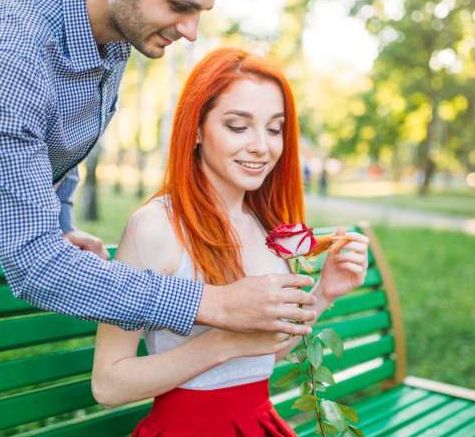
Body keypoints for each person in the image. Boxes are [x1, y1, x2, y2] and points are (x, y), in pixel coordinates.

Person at [0, 0, 317, 430]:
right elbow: (38, 268)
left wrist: (61, 223)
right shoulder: (2, 54)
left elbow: (60, 141)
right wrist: (215, 304)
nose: (191, 31)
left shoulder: (113, 32)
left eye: (200, 10)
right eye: (179, 6)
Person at [91, 48, 370, 436]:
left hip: (256, 423)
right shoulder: (155, 227)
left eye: (274, 129)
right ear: (198, 130)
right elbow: (109, 384)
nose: (261, 145)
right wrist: (224, 342)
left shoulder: (264, 225)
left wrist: (325, 292)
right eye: (238, 126)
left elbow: (261, 358)